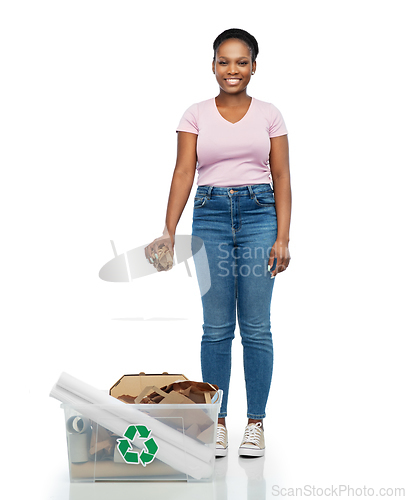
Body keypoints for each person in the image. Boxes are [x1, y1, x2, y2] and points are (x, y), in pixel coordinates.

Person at [145, 28, 291, 458]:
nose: (232, 70)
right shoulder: (194, 114)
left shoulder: (269, 114)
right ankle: (218, 422)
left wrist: (283, 236)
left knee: (257, 327)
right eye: (224, 62)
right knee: (216, 328)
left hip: (259, 214)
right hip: (208, 215)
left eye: (241, 62)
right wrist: (169, 231)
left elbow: (281, 176)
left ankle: (256, 424)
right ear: (212, 65)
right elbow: (182, 173)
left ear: (254, 67)